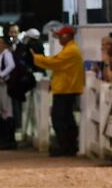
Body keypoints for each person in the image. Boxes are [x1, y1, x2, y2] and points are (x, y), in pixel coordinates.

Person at [32, 26, 85, 157]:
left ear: (67, 36)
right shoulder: (70, 49)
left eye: (61, 36)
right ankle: (68, 146)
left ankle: (66, 147)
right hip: (66, 89)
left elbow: (54, 62)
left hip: (66, 89)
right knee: (66, 118)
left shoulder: (70, 50)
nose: (59, 38)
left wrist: (36, 58)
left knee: (60, 118)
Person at [0, 36, 17, 150]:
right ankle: (5, 139)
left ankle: (9, 140)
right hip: (1, 84)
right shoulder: (1, 55)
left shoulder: (6, 54)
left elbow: (11, 65)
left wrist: (2, 75)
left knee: (7, 110)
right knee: (4, 110)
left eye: (0, 43)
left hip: (5, 84)